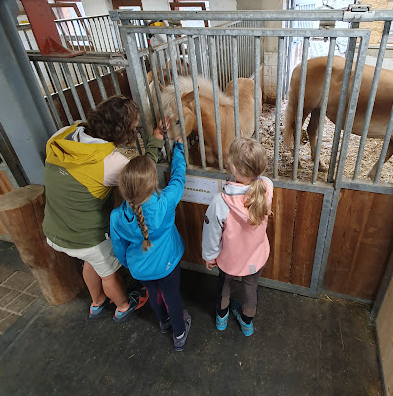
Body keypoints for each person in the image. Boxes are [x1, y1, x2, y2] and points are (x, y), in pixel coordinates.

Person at [42, 95, 159, 322]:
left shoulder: (62, 136)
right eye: (134, 128)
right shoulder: (112, 163)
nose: (136, 132)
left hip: (54, 230)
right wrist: (155, 142)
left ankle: (96, 302)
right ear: (123, 131)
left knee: (90, 263)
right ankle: (123, 305)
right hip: (88, 238)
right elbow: (142, 175)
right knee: (108, 274)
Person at [110, 128, 191, 351]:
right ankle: (179, 334)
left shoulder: (116, 216)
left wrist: (131, 264)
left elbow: (119, 248)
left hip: (140, 268)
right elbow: (178, 178)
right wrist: (179, 149)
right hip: (167, 264)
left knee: (154, 296)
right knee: (172, 297)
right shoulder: (165, 201)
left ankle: (164, 323)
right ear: (154, 183)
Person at [202, 137, 273, 336]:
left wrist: (210, 256)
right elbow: (263, 180)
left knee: (223, 284)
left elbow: (211, 234)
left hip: (229, 258)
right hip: (255, 256)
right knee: (251, 288)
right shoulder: (267, 187)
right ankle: (247, 324)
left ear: (232, 168)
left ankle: (221, 318)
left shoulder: (220, 202)